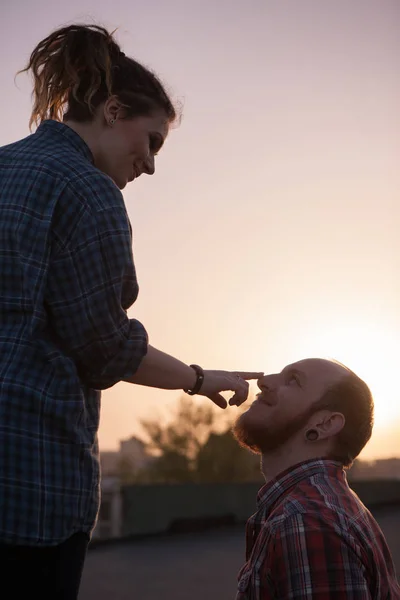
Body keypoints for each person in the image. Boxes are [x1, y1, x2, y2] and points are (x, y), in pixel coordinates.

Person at [0, 24, 262, 599]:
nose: (148, 164)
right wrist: (198, 379)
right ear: (113, 110)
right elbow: (104, 349)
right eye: (152, 141)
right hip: (28, 483)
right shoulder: (90, 191)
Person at [233, 358, 400, 599]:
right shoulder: (321, 505)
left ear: (325, 423)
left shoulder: (305, 519)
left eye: (293, 380)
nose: (263, 381)